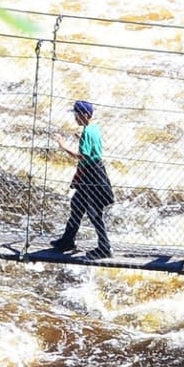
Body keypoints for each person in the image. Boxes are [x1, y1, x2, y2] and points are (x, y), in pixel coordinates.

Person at [51, 100, 114, 259]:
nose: (75, 117)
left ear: (85, 115)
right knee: (77, 205)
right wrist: (81, 138)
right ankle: (67, 240)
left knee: (94, 212)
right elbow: (93, 148)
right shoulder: (94, 128)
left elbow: (83, 156)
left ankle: (105, 248)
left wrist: (63, 145)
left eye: (77, 114)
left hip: (90, 175)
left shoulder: (87, 132)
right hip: (97, 171)